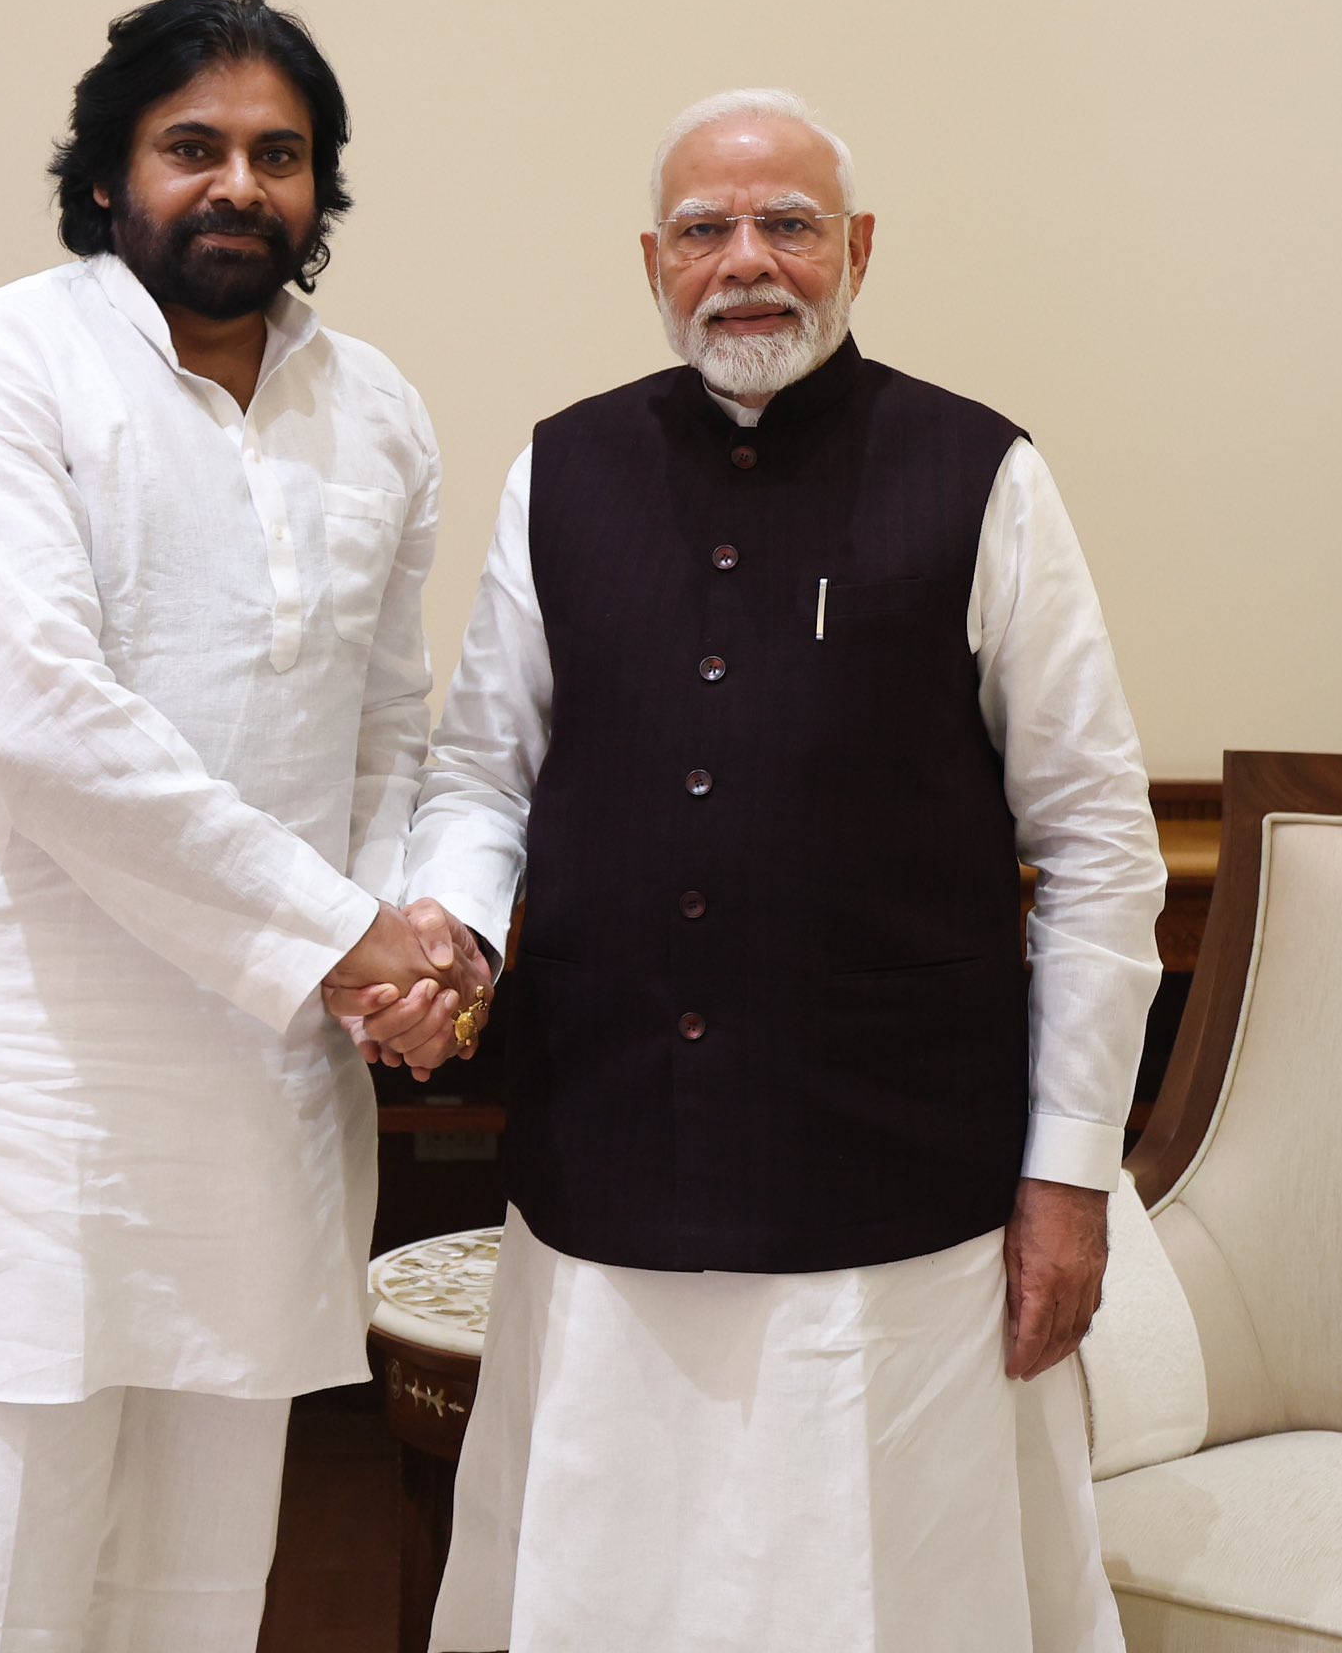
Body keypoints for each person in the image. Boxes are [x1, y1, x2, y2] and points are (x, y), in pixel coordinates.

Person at [404, 89, 1166, 1651]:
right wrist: (454, 931)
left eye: (788, 225)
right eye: (705, 229)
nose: (746, 261)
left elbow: (1096, 839)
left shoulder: (983, 473)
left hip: (896, 1193)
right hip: (608, 1164)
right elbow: (480, 770)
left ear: (858, 250)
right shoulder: (563, 470)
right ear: (654, 262)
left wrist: (1070, 1176)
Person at [0, 0, 481, 1653]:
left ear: (321, 188)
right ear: (108, 172)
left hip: (258, 1106)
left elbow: (383, 728)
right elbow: (37, 718)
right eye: (194, 146)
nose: (239, 184)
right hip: (21, 1102)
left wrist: (401, 949)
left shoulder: (379, 411)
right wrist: (347, 934)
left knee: (196, 1604)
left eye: (280, 153)